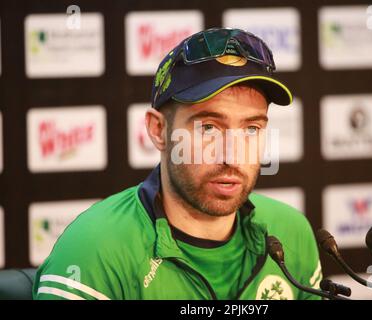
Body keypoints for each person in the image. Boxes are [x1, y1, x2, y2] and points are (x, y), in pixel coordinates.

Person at [33, 28, 322, 300]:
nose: (233, 156)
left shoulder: (291, 232)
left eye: (251, 129)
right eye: (208, 127)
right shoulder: (93, 251)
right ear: (158, 130)